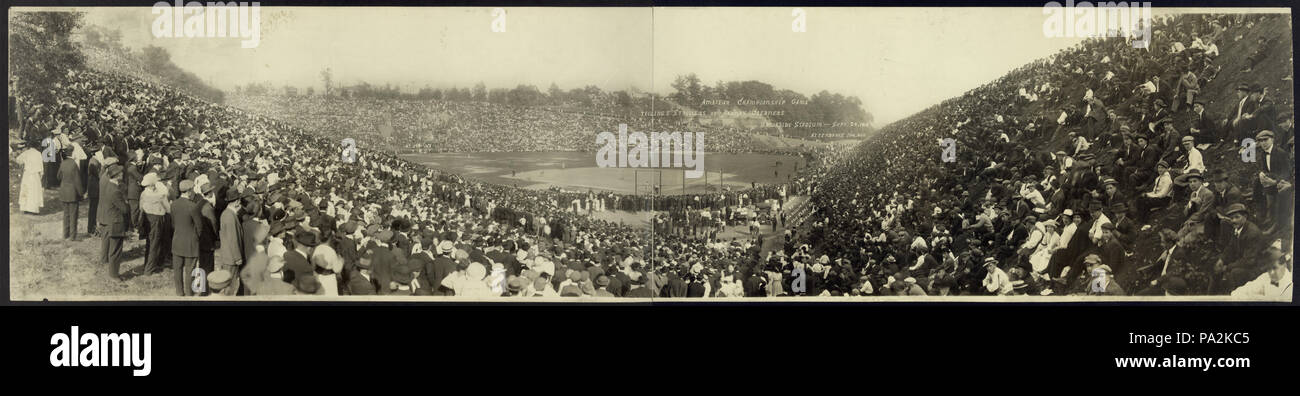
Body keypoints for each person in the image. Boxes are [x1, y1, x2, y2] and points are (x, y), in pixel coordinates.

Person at [171, 179, 204, 296]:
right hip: (190, 242)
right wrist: (195, 237)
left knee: (177, 269)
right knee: (190, 270)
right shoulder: (193, 206)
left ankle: (179, 292)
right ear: (189, 191)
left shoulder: (174, 204)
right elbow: (200, 227)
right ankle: (189, 294)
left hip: (177, 241)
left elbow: (173, 223)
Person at [137, 172, 171, 275]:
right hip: (157, 220)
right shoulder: (160, 195)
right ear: (153, 184)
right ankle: (150, 269)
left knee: (149, 243)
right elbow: (168, 209)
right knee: (155, 245)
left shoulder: (143, 194)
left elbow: (140, 207)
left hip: (147, 219)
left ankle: (147, 264)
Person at [216, 189, 246, 296]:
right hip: (231, 258)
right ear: (237, 201)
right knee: (230, 286)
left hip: (228, 256)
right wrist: (238, 257)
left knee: (228, 285)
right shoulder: (230, 216)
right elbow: (232, 239)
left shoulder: (227, 213)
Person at [102, 165, 129, 282]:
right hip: (116, 223)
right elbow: (125, 209)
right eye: (120, 173)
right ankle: (113, 275)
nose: (122, 174)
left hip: (111, 221)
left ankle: (114, 273)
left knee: (114, 249)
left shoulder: (110, 186)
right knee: (116, 250)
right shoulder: (115, 191)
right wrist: (126, 203)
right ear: (116, 175)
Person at [56, 148, 84, 240]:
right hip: (72, 193)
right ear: (72, 153)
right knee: (73, 215)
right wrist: (81, 193)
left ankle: (65, 234)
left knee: (66, 214)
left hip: (64, 192)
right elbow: (78, 181)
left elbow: (58, 176)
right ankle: (72, 236)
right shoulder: (74, 164)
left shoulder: (63, 163)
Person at [17, 141, 44, 214]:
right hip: (35, 175)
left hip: (27, 174)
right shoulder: (38, 154)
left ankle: (25, 208)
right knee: (34, 191)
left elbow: (18, 160)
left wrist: (23, 163)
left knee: (26, 190)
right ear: (36, 146)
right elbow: (41, 167)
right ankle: (33, 209)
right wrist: (41, 175)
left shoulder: (26, 153)